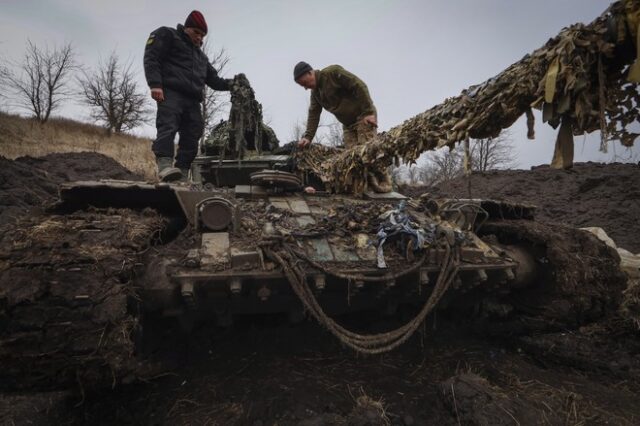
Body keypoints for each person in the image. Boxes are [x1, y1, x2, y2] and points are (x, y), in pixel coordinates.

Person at [144, 10, 232, 182]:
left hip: (192, 100)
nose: (199, 38)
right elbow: (151, 57)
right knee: (167, 127)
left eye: (202, 36)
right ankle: (164, 166)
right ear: (187, 28)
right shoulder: (168, 35)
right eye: (196, 33)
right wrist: (155, 84)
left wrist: (233, 83)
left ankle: (182, 173)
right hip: (171, 92)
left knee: (193, 134)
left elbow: (214, 80)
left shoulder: (201, 57)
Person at [293, 62, 391, 192]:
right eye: (302, 86)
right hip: (348, 124)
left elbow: (359, 85)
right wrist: (308, 137)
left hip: (363, 116)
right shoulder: (316, 93)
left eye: (305, 83)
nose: (305, 88)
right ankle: (366, 185)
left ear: (310, 73)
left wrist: (368, 112)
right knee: (352, 158)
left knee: (368, 150)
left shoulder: (332, 73)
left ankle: (385, 182)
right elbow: (314, 113)